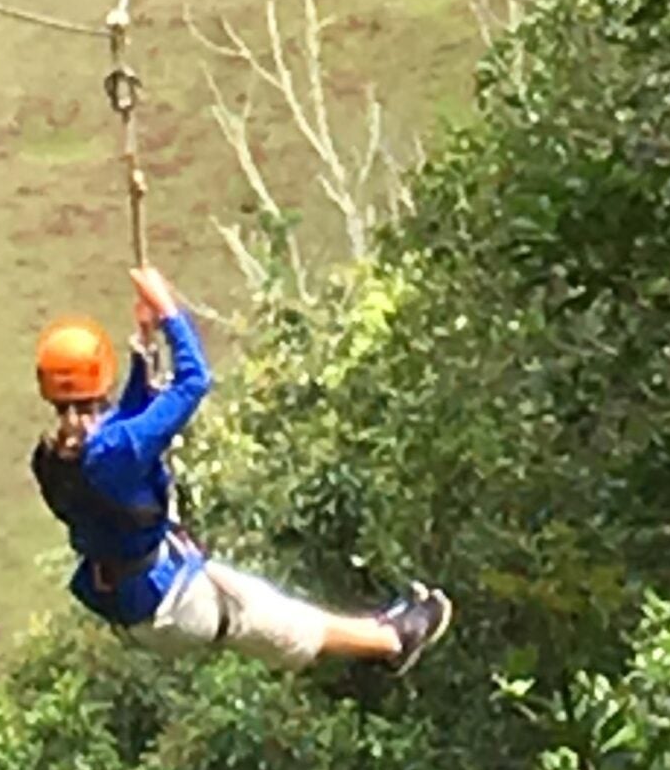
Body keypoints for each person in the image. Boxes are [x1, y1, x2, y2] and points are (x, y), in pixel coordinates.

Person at [31, 264, 452, 672]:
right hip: (172, 605)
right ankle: (396, 641)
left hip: (133, 603)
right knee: (291, 623)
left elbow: (128, 429)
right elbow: (194, 381)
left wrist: (146, 347)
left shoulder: (53, 457)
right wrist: (170, 312)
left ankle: (386, 630)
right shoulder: (117, 448)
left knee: (275, 612)